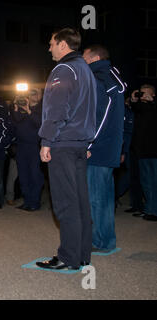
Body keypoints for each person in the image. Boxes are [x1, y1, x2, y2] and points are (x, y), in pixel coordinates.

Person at [37, 28, 97, 270]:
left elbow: (57, 109)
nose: (49, 48)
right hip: (80, 144)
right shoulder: (86, 70)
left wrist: (47, 141)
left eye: (51, 43)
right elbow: (93, 109)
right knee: (81, 202)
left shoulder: (64, 69)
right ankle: (82, 255)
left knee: (65, 203)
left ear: (63, 44)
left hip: (63, 142)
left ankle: (68, 256)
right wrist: (87, 142)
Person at [82, 44, 126, 251]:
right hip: (109, 148)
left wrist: (89, 142)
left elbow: (100, 115)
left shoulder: (99, 78)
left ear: (93, 58)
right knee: (105, 199)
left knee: (96, 198)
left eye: (84, 58)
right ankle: (106, 240)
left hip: (98, 149)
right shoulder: (112, 76)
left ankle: (99, 241)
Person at [11, 88, 44, 211]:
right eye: (32, 92)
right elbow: (15, 123)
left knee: (35, 175)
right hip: (21, 146)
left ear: (41, 95)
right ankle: (27, 201)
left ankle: (34, 202)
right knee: (23, 176)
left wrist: (29, 111)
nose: (33, 95)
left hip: (35, 147)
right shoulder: (22, 107)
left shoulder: (43, 108)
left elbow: (40, 124)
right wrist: (15, 108)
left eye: (37, 93)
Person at [130, 84, 157, 221]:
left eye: (146, 94)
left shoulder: (153, 107)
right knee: (146, 182)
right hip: (142, 152)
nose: (143, 97)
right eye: (141, 94)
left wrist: (152, 102)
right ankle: (149, 209)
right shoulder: (141, 109)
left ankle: (154, 211)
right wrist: (134, 99)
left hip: (154, 152)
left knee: (154, 182)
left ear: (153, 95)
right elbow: (133, 108)